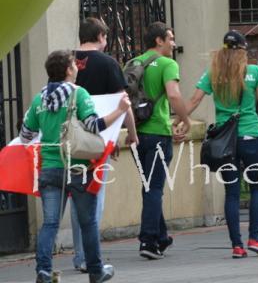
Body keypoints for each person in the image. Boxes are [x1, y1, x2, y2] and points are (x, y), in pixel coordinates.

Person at [19, 50, 131, 283]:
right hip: (78, 168)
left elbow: (26, 135)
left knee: (50, 223)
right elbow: (93, 126)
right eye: (74, 64)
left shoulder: (39, 99)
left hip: (49, 168)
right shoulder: (78, 94)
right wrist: (120, 110)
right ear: (69, 70)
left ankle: (43, 270)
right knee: (87, 221)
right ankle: (95, 271)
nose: (78, 67)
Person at [175, 30, 258, 258]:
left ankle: (237, 245)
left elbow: (194, 100)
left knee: (231, 193)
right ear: (243, 50)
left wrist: (178, 121)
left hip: (225, 141)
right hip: (250, 137)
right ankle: (255, 238)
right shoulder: (254, 72)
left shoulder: (212, 74)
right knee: (257, 188)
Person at [70, 17, 138, 272]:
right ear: (100, 36)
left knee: (77, 198)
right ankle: (91, 257)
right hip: (98, 140)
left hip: (70, 141)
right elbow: (124, 103)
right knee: (94, 197)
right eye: (105, 36)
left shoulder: (66, 62)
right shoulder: (108, 63)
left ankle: (80, 256)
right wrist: (131, 134)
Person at [133, 22, 191, 260]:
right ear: (159, 40)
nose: (173, 43)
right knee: (155, 188)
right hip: (158, 132)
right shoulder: (168, 64)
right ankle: (148, 240)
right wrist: (184, 119)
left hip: (137, 134)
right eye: (170, 38)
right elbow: (174, 94)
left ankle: (161, 237)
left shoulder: (133, 63)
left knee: (149, 187)